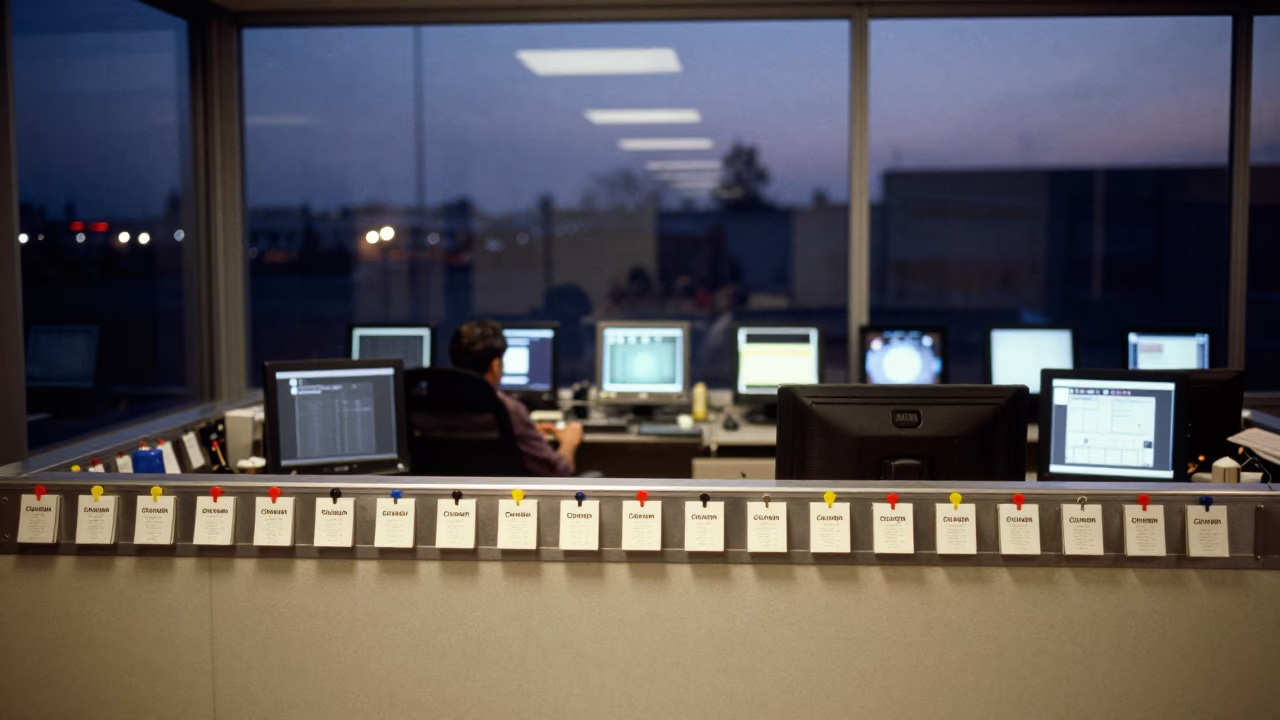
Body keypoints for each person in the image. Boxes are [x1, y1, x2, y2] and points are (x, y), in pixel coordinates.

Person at [449, 320, 584, 477]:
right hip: (504, 492)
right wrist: (568, 443)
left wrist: (525, 434)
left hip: (446, 490)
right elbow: (558, 473)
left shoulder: (431, 406)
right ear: (495, 365)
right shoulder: (508, 409)